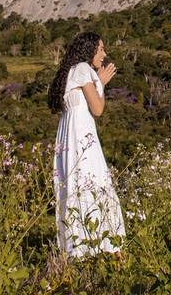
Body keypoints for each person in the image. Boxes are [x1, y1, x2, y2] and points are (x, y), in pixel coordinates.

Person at [48, 31, 125, 258]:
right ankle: (102, 246)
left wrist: (97, 82)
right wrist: (100, 84)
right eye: (101, 49)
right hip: (82, 136)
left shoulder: (70, 72)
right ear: (89, 50)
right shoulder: (82, 69)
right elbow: (98, 109)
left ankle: (79, 247)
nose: (104, 54)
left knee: (76, 187)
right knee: (93, 182)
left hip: (70, 135)